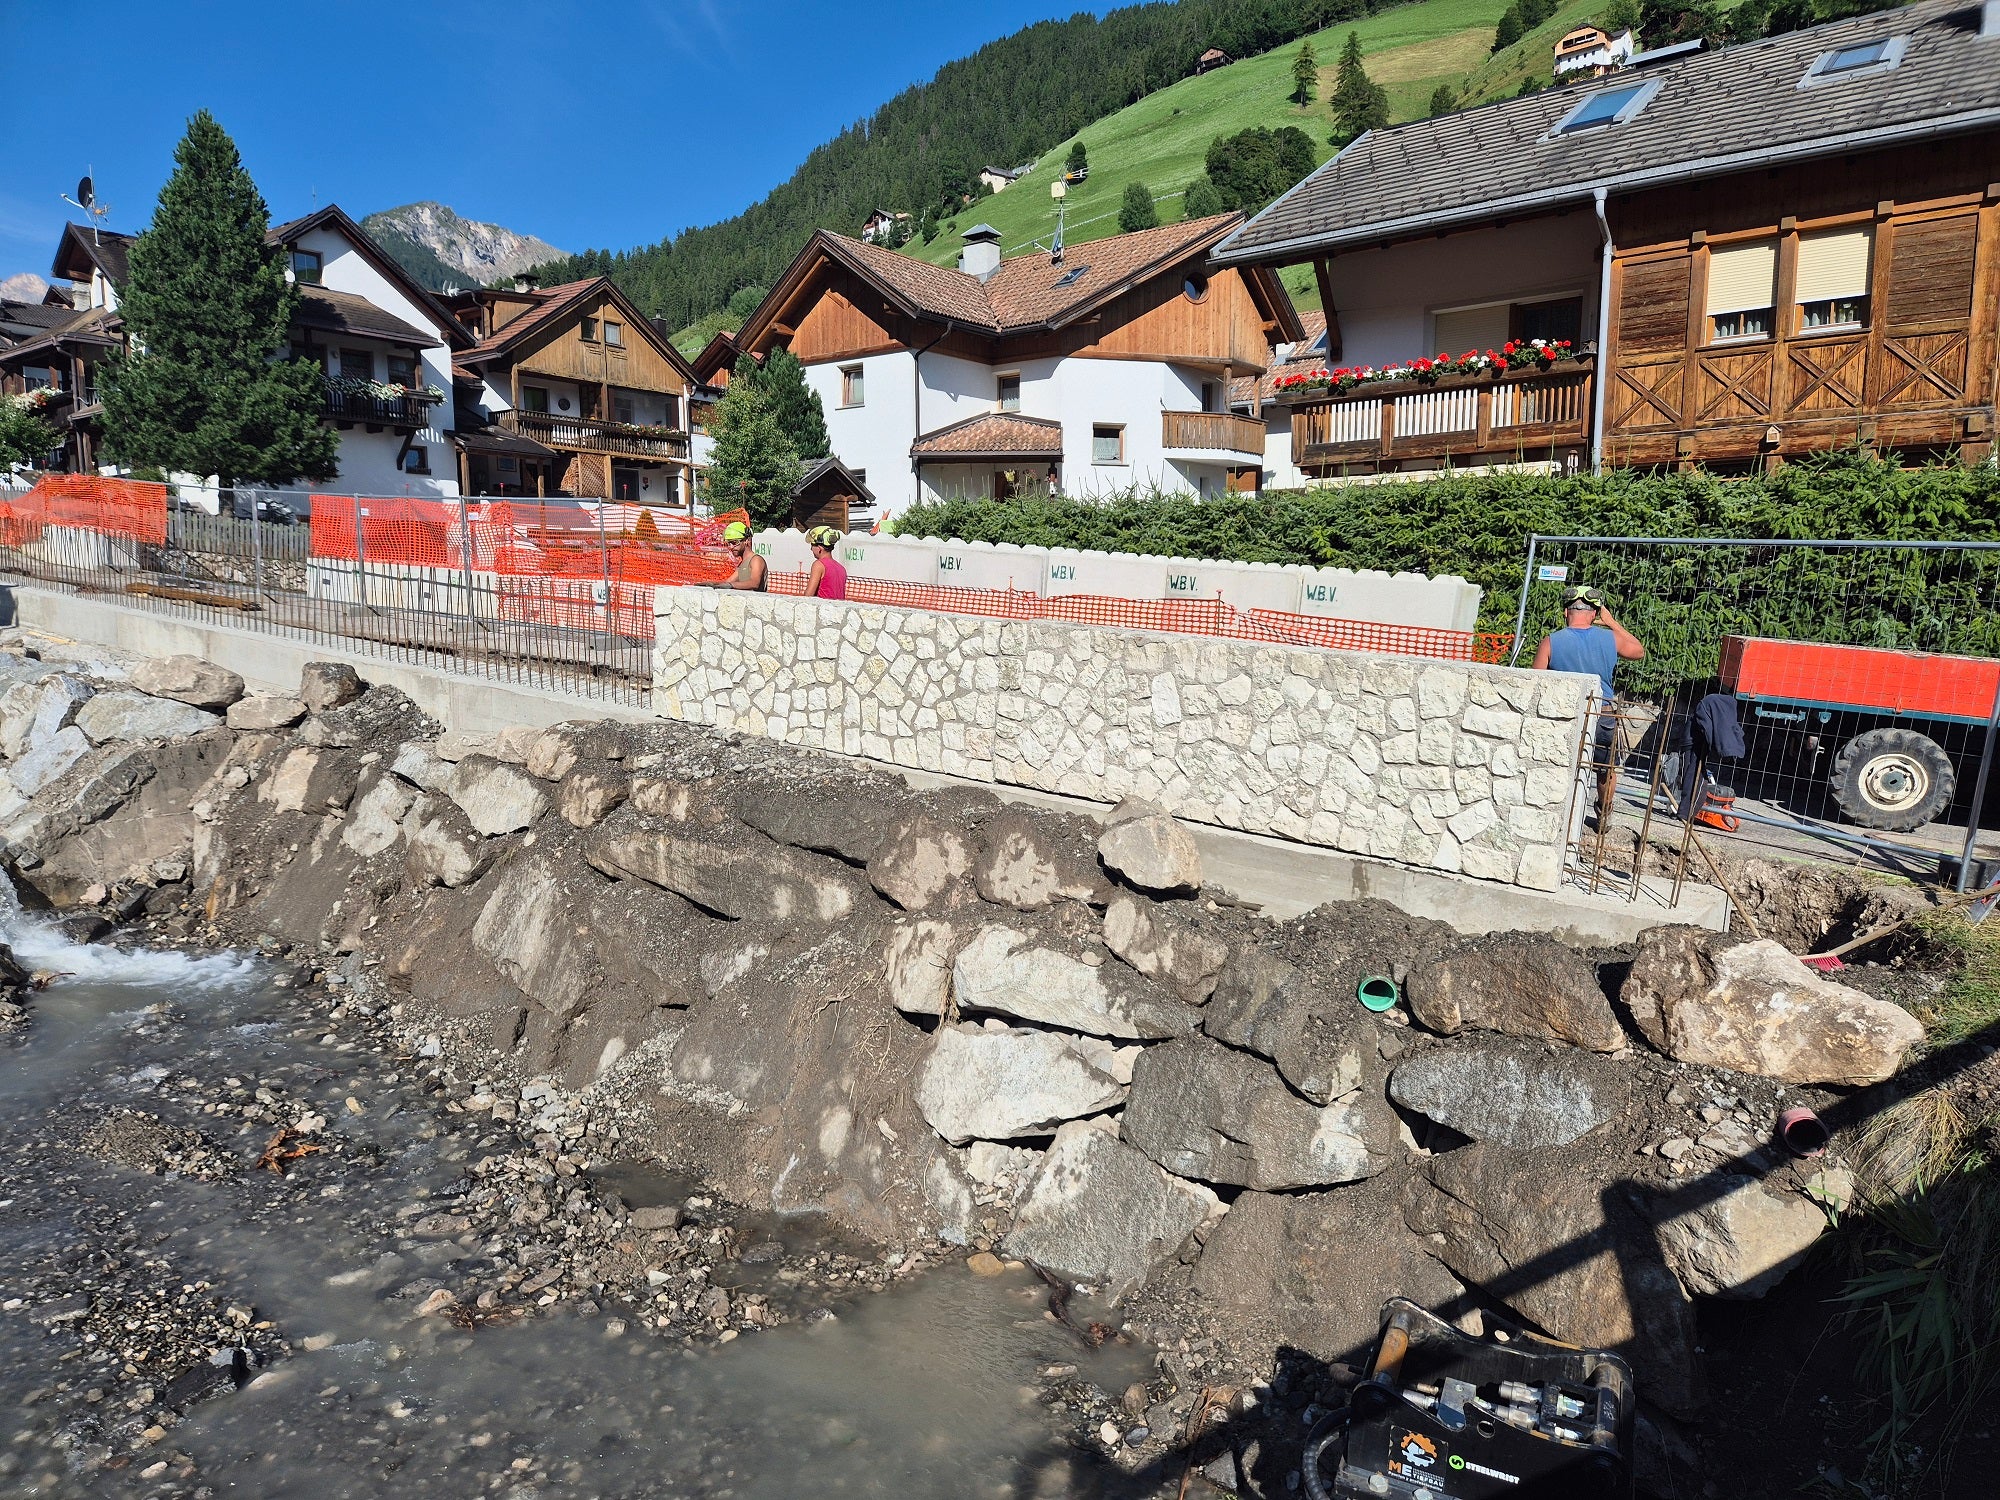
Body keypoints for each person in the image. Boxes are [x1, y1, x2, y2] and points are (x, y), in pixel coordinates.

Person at [1534, 584, 1645, 813]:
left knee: (1564, 764)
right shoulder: (1610, 638)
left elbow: (1535, 680)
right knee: (1606, 767)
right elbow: (1639, 651)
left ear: (1566, 612)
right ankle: (1604, 810)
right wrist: (1612, 622)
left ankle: (1560, 810)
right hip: (1602, 712)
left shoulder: (1550, 641)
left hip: (1566, 714)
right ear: (1594, 615)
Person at [718, 520, 767, 592]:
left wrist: (730, 585)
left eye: (734, 542)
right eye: (728, 544)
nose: (731, 547)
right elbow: (727, 582)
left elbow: (754, 583)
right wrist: (709, 584)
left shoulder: (756, 560)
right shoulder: (742, 564)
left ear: (746, 541)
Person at [804, 525, 847, 600]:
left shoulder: (818, 565)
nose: (811, 549)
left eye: (812, 545)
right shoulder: (841, 568)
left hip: (824, 610)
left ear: (819, 548)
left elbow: (808, 596)